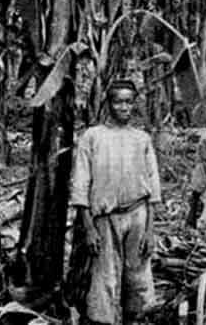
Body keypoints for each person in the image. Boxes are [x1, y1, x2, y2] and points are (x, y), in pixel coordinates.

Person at [70, 78, 161, 325]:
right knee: (105, 278)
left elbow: (152, 188)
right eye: (118, 102)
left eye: (128, 102)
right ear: (108, 104)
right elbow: (80, 186)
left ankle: (138, 318)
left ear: (134, 105)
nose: (123, 108)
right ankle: (104, 321)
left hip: (137, 214)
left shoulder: (141, 139)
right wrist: (88, 227)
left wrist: (150, 229)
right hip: (105, 217)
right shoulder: (93, 137)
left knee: (139, 276)